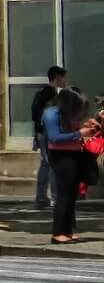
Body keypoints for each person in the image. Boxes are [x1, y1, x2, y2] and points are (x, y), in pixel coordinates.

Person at [42, 87, 89, 245]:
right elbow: (55, 138)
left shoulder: (65, 114)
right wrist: (80, 134)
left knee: (71, 195)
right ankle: (58, 233)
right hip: (61, 157)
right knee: (63, 195)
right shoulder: (51, 114)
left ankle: (68, 230)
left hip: (73, 155)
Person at [29, 65, 68, 209]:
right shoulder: (51, 93)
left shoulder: (41, 92)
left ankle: (41, 198)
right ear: (58, 78)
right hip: (48, 133)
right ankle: (55, 199)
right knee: (53, 164)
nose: (65, 81)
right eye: (64, 78)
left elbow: (35, 115)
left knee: (45, 164)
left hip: (41, 133)